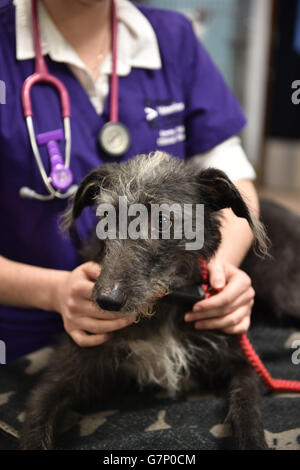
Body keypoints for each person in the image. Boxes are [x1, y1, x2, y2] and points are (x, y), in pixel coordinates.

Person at [0, 0, 258, 364]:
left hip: (161, 322)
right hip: (23, 340)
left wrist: (220, 275)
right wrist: (53, 292)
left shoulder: (172, 38)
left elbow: (233, 183)